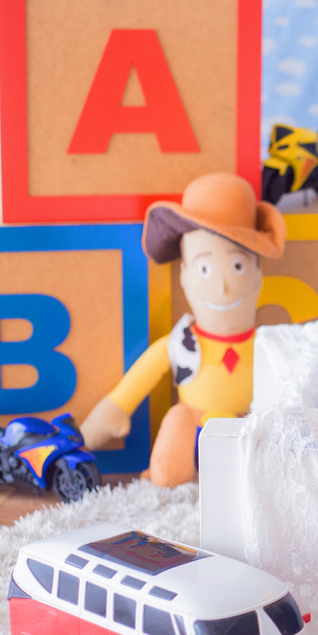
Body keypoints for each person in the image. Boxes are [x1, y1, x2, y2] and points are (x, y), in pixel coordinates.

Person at [80, 172, 286, 487]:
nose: (222, 284)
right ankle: (168, 476)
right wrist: (111, 414)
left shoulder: (268, 344)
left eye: (238, 266)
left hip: (243, 423)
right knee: (177, 420)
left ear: (258, 274)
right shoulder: (179, 343)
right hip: (192, 423)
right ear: (185, 276)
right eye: (205, 268)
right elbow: (138, 380)